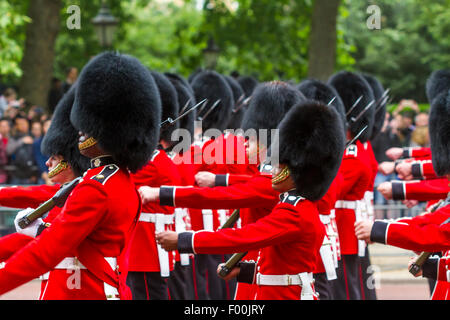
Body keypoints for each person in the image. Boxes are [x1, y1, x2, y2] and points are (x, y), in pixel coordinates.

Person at [0, 51, 161, 299]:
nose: (80, 131)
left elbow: (47, 251)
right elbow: (48, 198)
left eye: (88, 125)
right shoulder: (116, 180)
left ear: (108, 130)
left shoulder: (97, 187)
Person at [154, 100, 345, 300]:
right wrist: (245, 271)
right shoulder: (295, 206)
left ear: (295, 173)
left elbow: (244, 236)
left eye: (278, 168)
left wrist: (186, 240)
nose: (273, 172)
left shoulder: (295, 213)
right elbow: (282, 266)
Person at [0, 85, 90, 299]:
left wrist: (40, 231)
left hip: (77, 283)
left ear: (69, 163)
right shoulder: (64, 191)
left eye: (55, 159)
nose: (48, 163)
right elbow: (23, 194)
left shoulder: (84, 192)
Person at [6, 115, 37, 184]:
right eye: (20, 124)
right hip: (16, 173)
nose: (23, 125)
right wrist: (21, 141)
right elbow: (8, 150)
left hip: (31, 173)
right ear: (16, 126)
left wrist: (35, 174)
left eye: (24, 123)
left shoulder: (33, 136)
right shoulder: (14, 137)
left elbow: (37, 156)